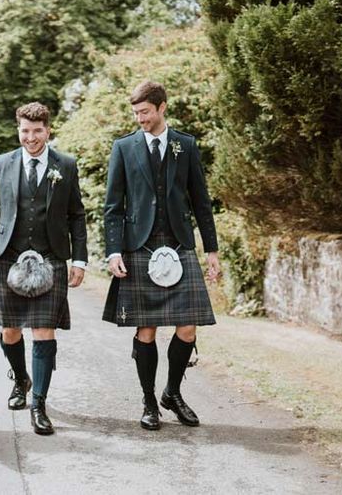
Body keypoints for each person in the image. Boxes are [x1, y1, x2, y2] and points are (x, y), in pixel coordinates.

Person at [102, 80, 221, 430]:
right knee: (147, 329)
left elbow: (201, 201)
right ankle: (149, 401)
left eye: (145, 112)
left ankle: (171, 392)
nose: (140, 119)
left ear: (162, 107)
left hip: (180, 244)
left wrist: (211, 249)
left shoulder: (186, 145)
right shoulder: (124, 148)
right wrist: (113, 251)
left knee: (187, 327)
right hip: (140, 245)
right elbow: (112, 207)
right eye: (136, 113)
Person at [0, 102, 87, 435]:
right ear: (18, 130)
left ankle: (38, 404)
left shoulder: (65, 164)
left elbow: (76, 215)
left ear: (47, 130)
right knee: (10, 331)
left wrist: (79, 259)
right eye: (25, 131)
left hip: (50, 258)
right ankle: (21, 379)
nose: (31, 137)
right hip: (7, 256)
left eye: (37, 131)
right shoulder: (2, 163)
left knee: (42, 330)